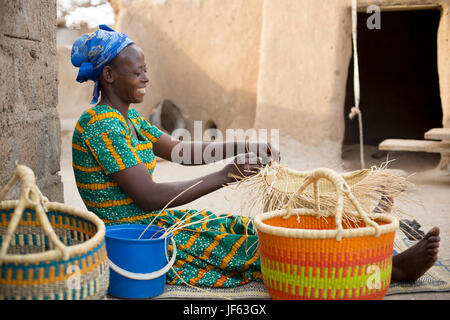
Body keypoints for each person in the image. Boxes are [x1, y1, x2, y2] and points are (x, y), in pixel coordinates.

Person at [71, 25, 440, 288]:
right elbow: (147, 196)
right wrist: (223, 176)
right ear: (109, 75)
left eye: (146, 69)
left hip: (153, 222)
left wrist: (240, 144)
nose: (146, 78)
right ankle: (384, 270)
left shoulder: (127, 117)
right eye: (138, 72)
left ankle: (363, 238)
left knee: (250, 228)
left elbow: (180, 151)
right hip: (137, 239)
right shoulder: (101, 125)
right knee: (260, 249)